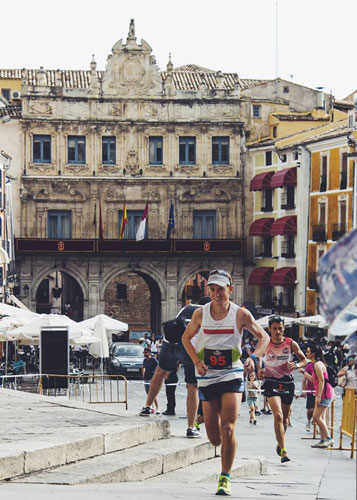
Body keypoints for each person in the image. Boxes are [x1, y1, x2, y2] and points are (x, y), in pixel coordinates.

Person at [182, 269, 269, 496]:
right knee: (215, 438)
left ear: (230, 289)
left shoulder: (240, 314)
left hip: (232, 372)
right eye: (212, 288)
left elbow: (264, 337)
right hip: (207, 375)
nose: (216, 293)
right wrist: (196, 361)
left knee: (229, 428)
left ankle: (225, 477)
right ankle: (217, 435)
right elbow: (185, 338)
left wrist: (254, 357)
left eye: (221, 289)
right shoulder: (201, 314)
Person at [139, 297, 211, 439]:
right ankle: (191, 428)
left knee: (160, 372)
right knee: (192, 386)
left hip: (170, 342)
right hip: (190, 346)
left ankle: (147, 406)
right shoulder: (206, 312)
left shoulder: (186, 308)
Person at [260, 315, 307, 463]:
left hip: (287, 383)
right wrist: (258, 370)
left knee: (285, 419)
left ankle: (279, 443)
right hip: (270, 381)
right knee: (278, 415)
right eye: (274, 329)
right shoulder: (265, 343)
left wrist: (297, 365)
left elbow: (304, 359)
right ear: (269, 329)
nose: (278, 331)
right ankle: (284, 450)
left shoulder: (290, 343)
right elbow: (256, 359)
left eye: (280, 328)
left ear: (283, 328)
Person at [302, 345, 335, 448]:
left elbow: (322, 380)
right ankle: (322, 440)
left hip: (325, 393)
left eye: (308, 352)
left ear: (313, 354)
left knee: (316, 417)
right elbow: (314, 380)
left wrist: (319, 396)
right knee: (321, 417)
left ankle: (329, 439)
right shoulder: (315, 364)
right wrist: (304, 372)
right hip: (324, 393)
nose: (306, 353)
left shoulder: (317, 364)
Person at [298, 359, 315, 432]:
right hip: (310, 390)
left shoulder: (322, 365)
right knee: (310, 409)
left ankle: (317, 424)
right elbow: (304, 379)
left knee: (318, 409)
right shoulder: (309, 366)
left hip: (320, 390)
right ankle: (309, 421)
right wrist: (304, 391)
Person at [142, 347, 160, 414]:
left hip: (152, 378)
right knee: (148, 394)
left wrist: (157, 375)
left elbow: (159, 366)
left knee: (153, 394)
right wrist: (143, 374)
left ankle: (158, 408)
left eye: (146, 352)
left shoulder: (153, 360)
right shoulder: (145, 360)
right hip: (146, 378)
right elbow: (143, 367)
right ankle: (151, 408)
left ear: (149, 353)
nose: (145, 354)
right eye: (144, 352)